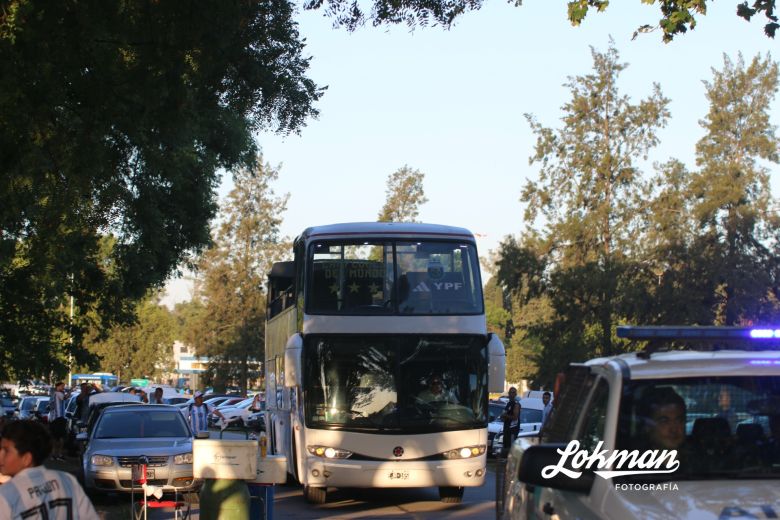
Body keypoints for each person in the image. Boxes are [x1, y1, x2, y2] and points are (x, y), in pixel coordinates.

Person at [0, 420, 98, 519]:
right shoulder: (67, 481)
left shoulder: (6, 494)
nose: (0, 455)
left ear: (26, 459)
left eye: (6, 451)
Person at [637, 387, 687, 451]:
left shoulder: (699, 458)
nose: (674, 430)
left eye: (679, 421)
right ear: (647, 427)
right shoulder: (633, 459)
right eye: (664, 421)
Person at [48, 382, 67, 461]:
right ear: (58, 387)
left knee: (55, 437)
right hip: (58, 418)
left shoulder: (53, 394)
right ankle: (58, 454)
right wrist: (71, 390)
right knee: (60, 437)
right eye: (62, 386)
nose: (63, 388)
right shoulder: (58, 393)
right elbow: (64, 398)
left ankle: (54, 454)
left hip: (54, 418)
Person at [499, 387, 521, 458]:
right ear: (508, 394)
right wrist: (503, 416)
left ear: (516, 394)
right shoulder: (508, 404)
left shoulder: (516, 404)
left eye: (514, 392)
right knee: (505, 447)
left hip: (512, 431)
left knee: (511, 449)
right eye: (511, 392)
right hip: (506, 430)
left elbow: (515, 417)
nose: (512, 394)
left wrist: (505, 415)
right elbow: (502, 416)